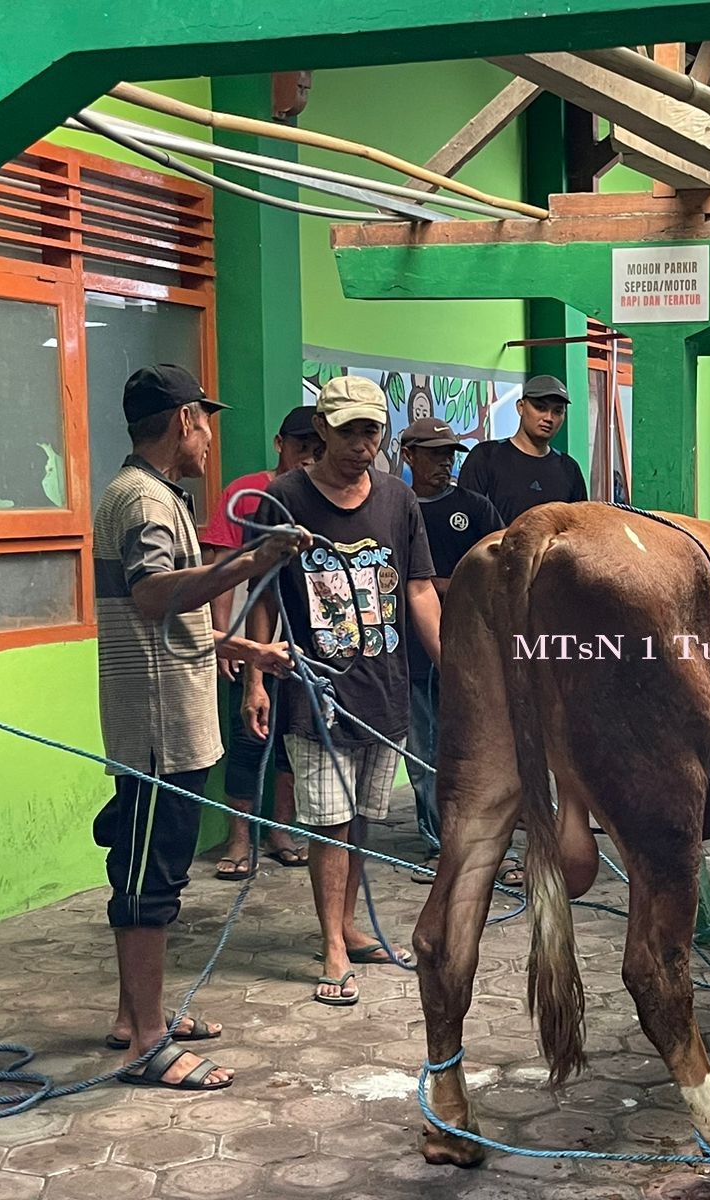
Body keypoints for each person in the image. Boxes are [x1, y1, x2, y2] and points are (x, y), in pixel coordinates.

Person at [92, 364, 305, 1090]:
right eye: (205, 421)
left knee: (140, 865)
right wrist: (252, 558)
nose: (211, 436)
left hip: (163, 714)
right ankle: (148, 1045)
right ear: (185, 419)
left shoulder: (152, 497)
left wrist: (247, 649)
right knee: (150, 880)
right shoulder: (146, 502)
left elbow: (167, 620)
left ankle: (134, 1015)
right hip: (158, 727)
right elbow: (153, 597)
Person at [243, 375, 444, 1005]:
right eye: (351, 431)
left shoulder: (397, 500)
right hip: (315, 692)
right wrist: (255, 678)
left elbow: (418, 589)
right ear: (322, 431)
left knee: (362, 821)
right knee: (327, 823)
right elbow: (262, 593)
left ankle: (353, 924)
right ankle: (332, 944)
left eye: (372, 432)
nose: (363, 445)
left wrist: (452, 671)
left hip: (384, 687)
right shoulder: (283, 498)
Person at [200, 406, 324, 878]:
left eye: (316, 449)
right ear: (279, 444)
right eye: (300, 447)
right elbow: (219, 569)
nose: (307, 458)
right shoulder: (247, 493)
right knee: (249, 736)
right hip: (253, 637)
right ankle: (238, 839)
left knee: (294, 740)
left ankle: (280, 829)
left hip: (306, 645)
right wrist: (224, 641)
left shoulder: (326, 497)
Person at [398, 417, 505, 859]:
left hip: (475, 648)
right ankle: (441, 842)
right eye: (433, 453)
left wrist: (445, 586)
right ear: (408, 455)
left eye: (448, 454)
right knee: (424, 749)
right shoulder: (396, 507)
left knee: (476, 746)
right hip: (411, 650)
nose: (444, 462)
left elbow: (503, 571)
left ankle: (482, 838)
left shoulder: (477, 509)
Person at [457, 374, 587, 524]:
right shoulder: (486, 457)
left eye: (557, 411)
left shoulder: (569, 469)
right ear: (521, 407)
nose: (548, 418)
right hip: (497, 547)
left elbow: (579, 528)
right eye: (540, 407)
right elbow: (466, 518)